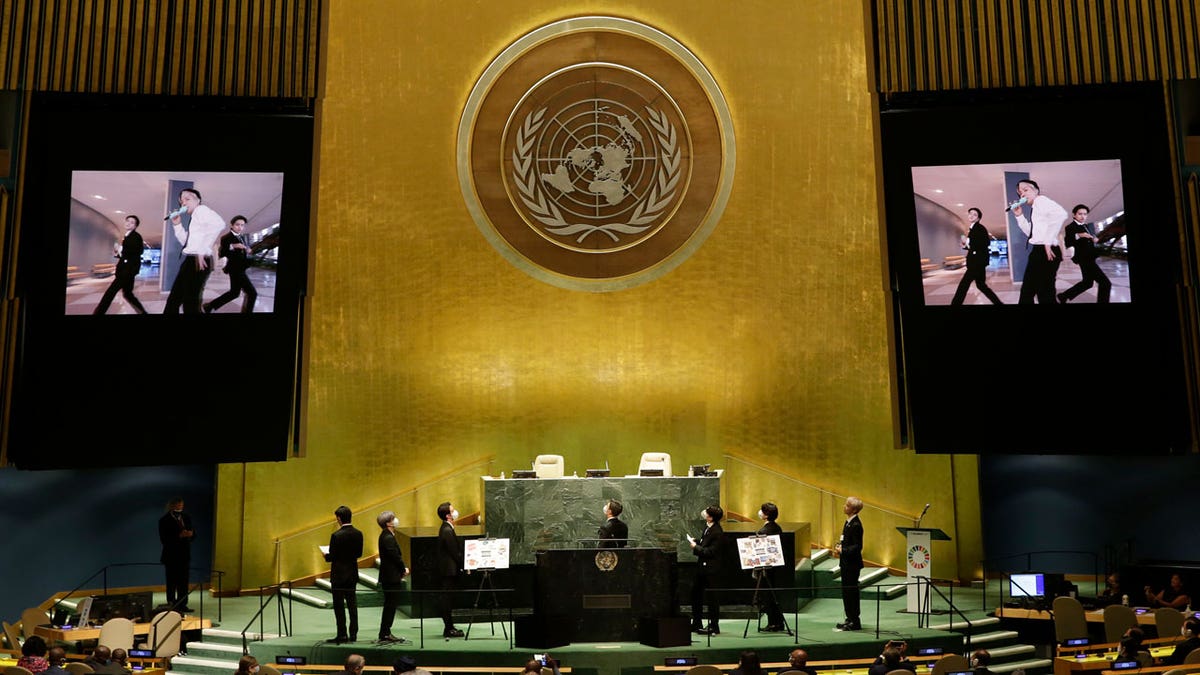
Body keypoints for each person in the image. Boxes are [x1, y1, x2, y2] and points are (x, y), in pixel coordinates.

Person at [164, 188, 226, 314]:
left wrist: (201, 250)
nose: (184, 203)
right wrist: (177, 225)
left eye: (187, 199)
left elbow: (219, 224)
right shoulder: (195, 218)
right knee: (175, 300)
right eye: (181, 202)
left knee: (189, 304)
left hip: (197, 262)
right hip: (190, 260)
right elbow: (187, 243)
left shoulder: (201, 210)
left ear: (198, 201)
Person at [1010, 179, 1069, 304]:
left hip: (1046, 251)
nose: (1023, 194)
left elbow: (1061, 214)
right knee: (1032, 292)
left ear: (1036, 190)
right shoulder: (1036, 208)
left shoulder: (1040, 200)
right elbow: (1031, 233)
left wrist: (1047, 241)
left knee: (1041, 293)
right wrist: (1019, 215)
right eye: (1020, 193)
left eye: (1026, 190)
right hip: (1039, 250)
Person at [93, 215, 148, 314]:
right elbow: (128, 255)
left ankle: (98, 312)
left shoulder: (135, 236)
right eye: (127, 221)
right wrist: (118, 253)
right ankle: (142, 312)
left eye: (132, 222)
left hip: (126, 271)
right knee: (128, 294)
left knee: (110, 292)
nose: (128, 223)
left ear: (135, 226)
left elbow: (138, 251)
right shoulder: (127, 236)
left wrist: (121, 249)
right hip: (127, 270)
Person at [1057, 204, 1112, 304]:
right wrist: (1079, 235)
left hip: (1090, 257)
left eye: (1085, 214)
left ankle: (1063, 296)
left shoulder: (1086, 226)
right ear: (1074, 215)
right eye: (1080, 214)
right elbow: (1068, 242)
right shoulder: (1070, 227)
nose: (1083, 216)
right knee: (1105, 283)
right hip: (1084, 258)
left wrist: (1094, 239)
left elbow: (1089, 239)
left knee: (1087, 283)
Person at [325, 505, 364, 643]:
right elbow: (359, 554)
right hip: (352, 573)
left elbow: (333, 556)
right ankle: (353, 634)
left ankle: (342, 634)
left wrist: (326, 556)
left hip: (339, 575)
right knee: (352, 605)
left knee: (339, 606)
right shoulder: (358, 533)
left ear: (339, 519)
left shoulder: (336, 536)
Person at [204, 214, 258, 314]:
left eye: (242, 225)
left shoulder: (242, 236)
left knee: (234, 293)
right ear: (232, 225)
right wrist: (233, 246)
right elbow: (222, 253)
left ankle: (210, 306)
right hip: (235, 269)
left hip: (241, 268)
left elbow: (242, 251)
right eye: (237, 225)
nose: (240, 227)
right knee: (252, 293)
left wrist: (247, 250)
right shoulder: (226, 238)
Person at [950, 207, 1003, 305]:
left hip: (976, 263)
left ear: (978, 218)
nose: (971, 215)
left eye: (974, 214)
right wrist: (965, 246)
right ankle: (998, 303)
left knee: (963, 286)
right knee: (981, 285)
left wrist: (968, 241)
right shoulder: (973, 229)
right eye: (970, 213)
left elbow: (985, 243)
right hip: (978, 262)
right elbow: (975, 246)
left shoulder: (980, 228)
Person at [687, 504, 725, 635]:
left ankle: (714, 626)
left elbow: (711, 551)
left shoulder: (717, 532)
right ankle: (697, 622)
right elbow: (705, 543)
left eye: (707, 513)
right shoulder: (708, 528)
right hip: (701, 569)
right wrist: (696, 541)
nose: (705, 514)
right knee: (695, 594)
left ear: (711, 517)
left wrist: (695, 547)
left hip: (711, 570)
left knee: (712, 599)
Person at [158, 497, 195, 612]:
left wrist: (190, 534)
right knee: (172, 581)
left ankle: (183, 604)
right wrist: (179, 536)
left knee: (184, 582)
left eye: (181, 505)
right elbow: (164, 539)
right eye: (178, 505)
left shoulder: (186, 517)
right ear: (172, 506)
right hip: (171, 556)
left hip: (184, 555)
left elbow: (194, 533)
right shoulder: (164, 520)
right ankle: (171, 603)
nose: (180, 507)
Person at [376, 510, 408, 642]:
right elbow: (395, 556)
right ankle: (385, 633)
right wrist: (403, 569)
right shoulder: (388, 537)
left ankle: (385, 632)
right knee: (390, 605)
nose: (396, 520)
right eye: (393, 518)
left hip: (389, 576)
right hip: (391, 577)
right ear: (388, 523)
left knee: (390, 605)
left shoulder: (386, 535)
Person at [755, 502, 787, 632]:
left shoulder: (765, 530)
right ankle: (777, 622)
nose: (760, 512)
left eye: (762, 511)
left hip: (767, 569)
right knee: (773, 596)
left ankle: (773, 623)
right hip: (775, 568)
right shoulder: (777, 527)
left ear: (766, 514)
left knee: (768, 597)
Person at [436, 501, 465, 638]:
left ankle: (450, 627)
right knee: (446, 600)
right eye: (453, 510)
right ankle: (449, 628)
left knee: (448, 599)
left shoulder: (447, 528)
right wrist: (465, 564)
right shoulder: (447, 530)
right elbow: (454, 551)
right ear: (448, 515)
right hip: (448, 571)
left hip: (448, 570)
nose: (455, 512)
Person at [836, 496, 864, 631]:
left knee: (851, 592)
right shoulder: (848, 522)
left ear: (853, 509)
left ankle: (855, 621)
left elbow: (858, 546)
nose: (844, 506)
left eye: (847, 505)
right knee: (846, 592)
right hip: (846, 563)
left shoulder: (856, 525)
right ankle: (849, 618)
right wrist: (840, 547)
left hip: (852, 565)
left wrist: (843, 550)